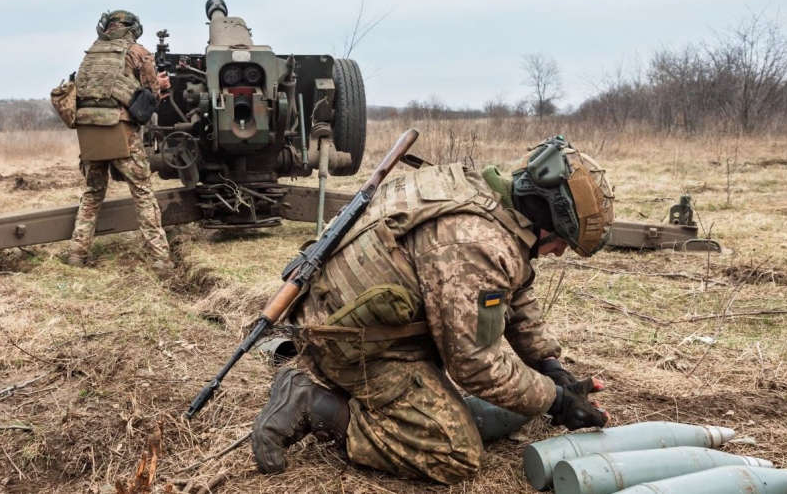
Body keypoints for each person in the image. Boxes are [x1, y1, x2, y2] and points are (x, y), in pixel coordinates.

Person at [252, 135, 615, 484]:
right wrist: (556, 401)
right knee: (455, 454)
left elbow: (514, 288)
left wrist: (548, 365)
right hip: (350, 347)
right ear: (547, 220)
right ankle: (313, 403)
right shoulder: (475, 243)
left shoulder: (481, 193)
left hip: (346, 317)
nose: (559, 253)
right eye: (561, 243)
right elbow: (474, 366)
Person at [63, 10, 173, 274]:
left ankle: (77, 255)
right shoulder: (138, 51)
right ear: (133, 28)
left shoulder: (91, 52)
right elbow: (151, 94)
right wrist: (159, 84)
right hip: (119, 129)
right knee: (143, 193)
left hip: (89, 131)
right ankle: (160, 261)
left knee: (92, 193)